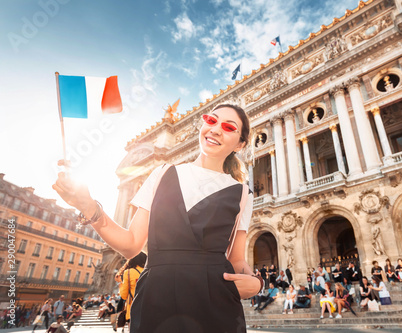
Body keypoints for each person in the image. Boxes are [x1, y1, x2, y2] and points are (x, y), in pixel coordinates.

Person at [52, 104, 262, 332]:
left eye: (229, 127)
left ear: (240, 144)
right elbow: (132, 244)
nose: (216, 130)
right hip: (156, 299)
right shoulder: (161, 174)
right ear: (202, 125)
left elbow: (237, 261)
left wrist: (257, 283)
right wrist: (88, 206)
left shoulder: (242, 192)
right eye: (211, 121)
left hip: (216, 304)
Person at [119, 252, 147, 326]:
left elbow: (124, 295)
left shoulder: (128, 272)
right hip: (148, 309)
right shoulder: (149, 271)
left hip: (133, 309)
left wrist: (121, 286)